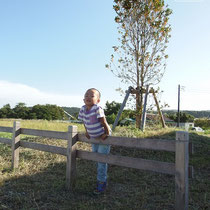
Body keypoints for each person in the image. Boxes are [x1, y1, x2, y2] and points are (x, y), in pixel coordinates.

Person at [78, 88, 111, 194]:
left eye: (92, 96)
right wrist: (87, 131)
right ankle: (102, 177)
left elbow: (103, 121)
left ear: (98, 100)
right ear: (83, 99)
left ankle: (102, 182)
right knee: (96, 156)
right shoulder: (83, 109)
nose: (88, 97)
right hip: (93, 137)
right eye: (86, 95)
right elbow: (84, 121)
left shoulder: (97, 108)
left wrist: (106, 133)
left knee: (101, 159)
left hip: (103, 137)